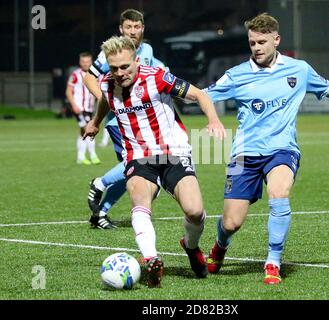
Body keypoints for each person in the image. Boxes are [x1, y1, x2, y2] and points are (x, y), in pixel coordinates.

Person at [204, 13, 329, 285]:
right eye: (252, 43)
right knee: (232, 222)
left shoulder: (299, 69)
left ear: (276, 39)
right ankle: (220, 245)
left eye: (261, 42)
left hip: (283, 149)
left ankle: (273, 262)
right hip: (243, 154)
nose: (256, 48)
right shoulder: (236, 75)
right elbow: (202, 94)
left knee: (279, 193)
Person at [83, 36, 226, 288]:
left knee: (194, 211)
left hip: (173, 152)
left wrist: (213, 120)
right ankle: (151, 259)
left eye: (125, 66)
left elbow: (199, 95)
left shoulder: (158, 77)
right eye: (114, 68)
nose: (120, 73)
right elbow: (104, 100)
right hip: (138, 156)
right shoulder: (107, 83)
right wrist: (95, 122)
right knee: (139, 200)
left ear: (137, 61)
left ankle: (191, 246)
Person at [84, 9, 165, 229]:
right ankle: (99, 183)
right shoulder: (115, 50)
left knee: (131, 170)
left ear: (142, 28)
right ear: (121, 29)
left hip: (139, 120)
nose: (132, 31)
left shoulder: (146, 49)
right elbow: (88, 77)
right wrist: (104, 99)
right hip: (118, 120)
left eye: (136, 27)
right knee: (138, 163)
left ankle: (100, 213)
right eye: (128, 27)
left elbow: (155, 69)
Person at [65, 52, 100, 165]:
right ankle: (92, 155)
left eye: (87, 61)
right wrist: (74, 105)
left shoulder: (95, 74)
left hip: (89, 108)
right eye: (83, 62)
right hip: (79, 108)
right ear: (80, 62)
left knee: (84, 132)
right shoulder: (75, 75)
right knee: (87, 129)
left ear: (91, 62)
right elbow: (68, 91)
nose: (85, 64)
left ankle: (81, 157)